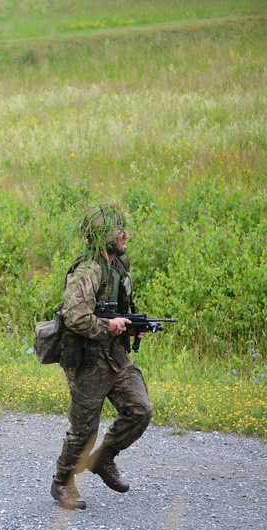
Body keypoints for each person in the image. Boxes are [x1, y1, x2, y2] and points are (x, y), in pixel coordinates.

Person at [51, 203, 153, 510]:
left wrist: (131, 326)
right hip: (87, 358)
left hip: (115, 355)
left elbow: (117, 311)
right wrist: (107, 327)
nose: (126, 235)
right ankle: (61, 482)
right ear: (104, 235)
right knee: (85, 430)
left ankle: (104, 457)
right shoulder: (88, 269)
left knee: (140, 409)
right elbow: (74, 316)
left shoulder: (119, 266)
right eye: (119, 230)